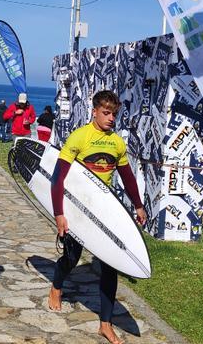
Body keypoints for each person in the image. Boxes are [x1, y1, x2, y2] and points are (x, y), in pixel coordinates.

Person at [48, 90, 145, 344]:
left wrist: (138, 205)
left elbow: (127, 178)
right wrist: (60, 213)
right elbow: (58, 179)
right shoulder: (80, 137)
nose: (111, 118)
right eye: (106, 113)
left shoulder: (117, 143)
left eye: (114, 113)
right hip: (77, 208)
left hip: (104, 209)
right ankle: (57, 286)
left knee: (109, 266)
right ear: (94, 111)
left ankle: (105, 323)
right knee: (71, 258)